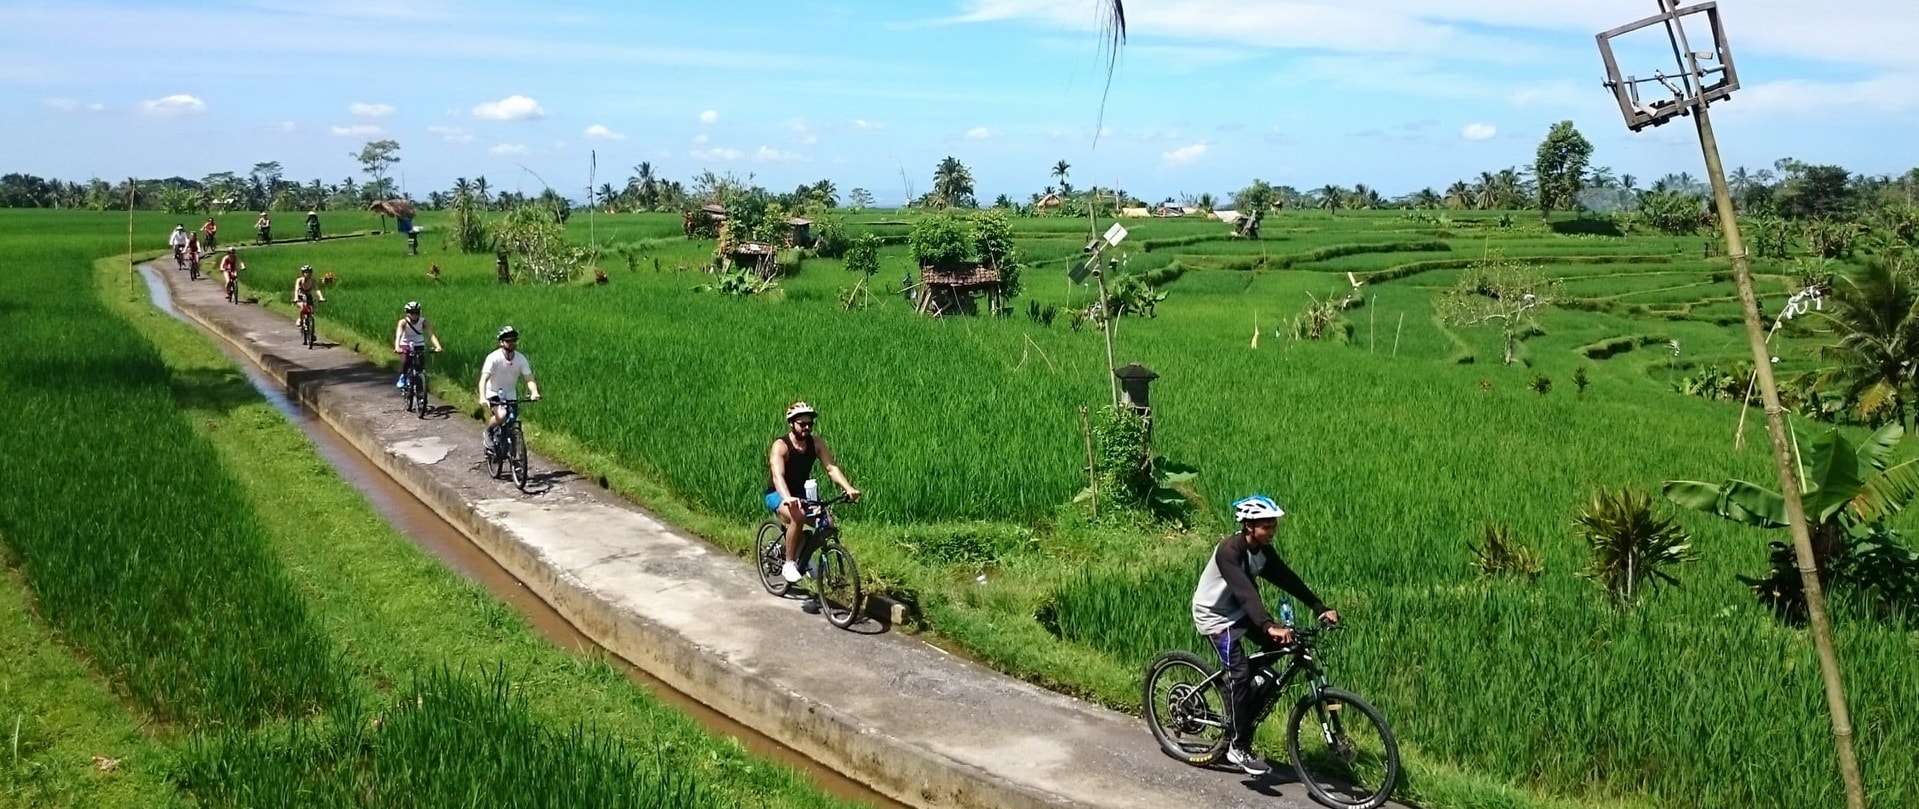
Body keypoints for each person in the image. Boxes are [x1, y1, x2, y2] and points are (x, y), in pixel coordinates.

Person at [1190, 494, 1339, 776]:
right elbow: (1246, 594)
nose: (1272, 531)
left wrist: (1320, 606)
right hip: (1216, 616)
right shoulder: (1229, 551)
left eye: (1273, 525)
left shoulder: (1262, 552)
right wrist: (1268, 625)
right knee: (1240, 673)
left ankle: (1247, 696)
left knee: (1286, 648)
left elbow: (1288, 579)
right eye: (1266, 526)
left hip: (1239, 612)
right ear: (1249, 526)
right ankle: (1237, 745)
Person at [765, 402, 861, 593]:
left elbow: (831, 468)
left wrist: (848, 488)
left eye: (810, 424)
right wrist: (787, 498)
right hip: (777, 493)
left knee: (828, 524)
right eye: (802, 424)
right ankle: (790, 563)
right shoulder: (781, 446)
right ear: (792, 424)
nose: (807, 428)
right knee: (797, 516)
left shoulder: (816, 443)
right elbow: (778, 476)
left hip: (801, 494)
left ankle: (804, 557)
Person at [477, 326, 540, 454]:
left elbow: (529, 378)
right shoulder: (493, 358)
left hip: (511, 394)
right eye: (508, 341)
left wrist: (534, 392)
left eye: (513, 340)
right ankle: (488, 431)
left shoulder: (520, 358)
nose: (511, 343)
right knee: (501, 415)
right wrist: (482, 397)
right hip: (493, 392)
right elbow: (483, 379)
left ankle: (508, 447)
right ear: (501, 342)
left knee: (512, 420)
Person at [393, 300, 443, 386]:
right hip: (406, 343)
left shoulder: (423, 322)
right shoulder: (403, 322)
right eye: (411, 312)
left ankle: (420, 383)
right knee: (406, 361)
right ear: (407, 313)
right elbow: (399, 335)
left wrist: (438, 346)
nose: (414, 315)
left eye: (416, 312)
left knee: (420, 365)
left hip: (419, 344)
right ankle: (403, 377)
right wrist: (397, 347)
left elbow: (431, 335)